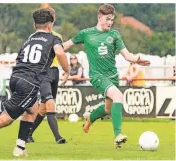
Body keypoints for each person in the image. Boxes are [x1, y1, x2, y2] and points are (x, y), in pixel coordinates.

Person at [0, 8, 69, 156]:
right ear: (50, 25)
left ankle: (20, 148)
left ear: (35, 26)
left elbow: (19, 59)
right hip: (29, 83)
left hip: (16, 78)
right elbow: (60, 52)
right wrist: (67, 70)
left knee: (32, 109)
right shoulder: (54, 38)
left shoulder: (29, 39)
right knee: (6, 119)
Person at [63, 4, 150, 148]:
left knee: (108, 109)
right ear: (99, 17)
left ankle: (89, 119)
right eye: (107, 19)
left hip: (113, 76)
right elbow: (65, 45)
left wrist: (136, 59)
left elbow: (127, 55)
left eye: (112, 20)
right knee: (118, 97)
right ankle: (118, 136)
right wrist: (51, 47)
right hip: (97, 75)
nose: (110, 22)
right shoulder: (86, 33)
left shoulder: (114, 34)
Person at [15, 7, 67, 153]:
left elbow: (60, 51)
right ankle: (58, 137)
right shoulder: (37, 37)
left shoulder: (57, 36)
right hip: (43, 73)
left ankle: (29, 134)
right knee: (50, 104)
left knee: (43, 108)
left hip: (54, 72)